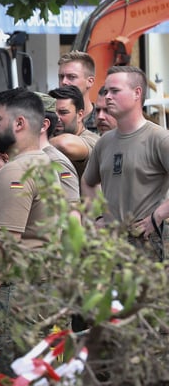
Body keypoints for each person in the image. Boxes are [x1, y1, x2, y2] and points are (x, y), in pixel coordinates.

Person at [0, 88, 71, 372]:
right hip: (39, 290)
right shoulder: (44, 164)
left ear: (19, 124)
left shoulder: (17, 172)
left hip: (18, 296)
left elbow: (4, 246)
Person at [82, 66, 169, 261]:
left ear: (137, 93)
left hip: (144, 243)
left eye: (115, 91)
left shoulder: (159, 139)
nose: (108, 97)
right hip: (108, 243)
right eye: (106, 91)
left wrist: (157, 216)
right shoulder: (104, 141)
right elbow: (88, 181)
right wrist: (95, 217)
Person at [48, 86, 100, 179]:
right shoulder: (51, 137)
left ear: (80, 115)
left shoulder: (92, 140)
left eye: (63, 112)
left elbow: (64, 144)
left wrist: (35, 145)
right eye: (53, 113)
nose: (56, 118)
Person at [57, 51, 98, 133]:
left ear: (90, 81)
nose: (64, 82)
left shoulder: (102, 120)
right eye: (61, 77)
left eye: (71, 77)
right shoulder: (51, 121)